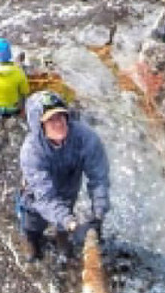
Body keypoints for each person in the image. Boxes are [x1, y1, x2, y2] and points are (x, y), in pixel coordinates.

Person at [18, 91, 110, 263]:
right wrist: (72, 224)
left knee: (66, 210)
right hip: (38, 195)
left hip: (69, 186)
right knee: (33, 221)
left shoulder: (85, 138)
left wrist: (99, 212)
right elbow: (45, 197)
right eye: (51, 120)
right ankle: (31, 239)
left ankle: (62, 236)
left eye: (61, 117)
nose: (58, 123)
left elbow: (99, 177)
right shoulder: (31, 151)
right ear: (40, 125)